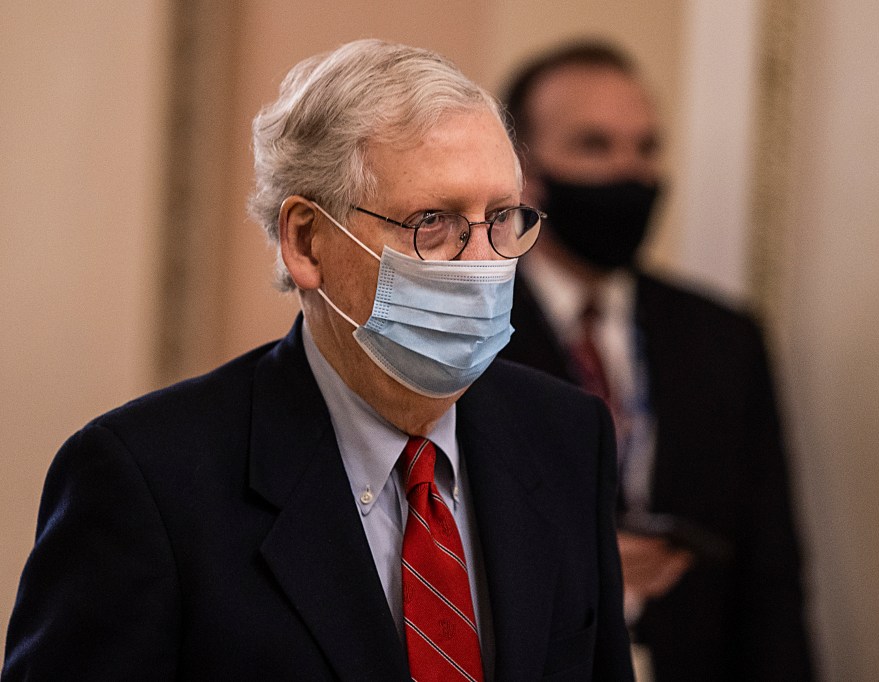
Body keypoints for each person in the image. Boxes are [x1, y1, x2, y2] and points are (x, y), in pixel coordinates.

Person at [2, 39, 634, 681]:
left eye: (501, 218)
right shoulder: (148, 482)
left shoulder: (566, 437)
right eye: (432, 223)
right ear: (306, 240)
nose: (482, 264)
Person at [499, 41, 815, 681]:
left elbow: (770, 573)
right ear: (524, 171)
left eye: (645, 148)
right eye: (594, 146)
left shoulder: (724, 338)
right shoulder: (470, 332)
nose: (630, 172)